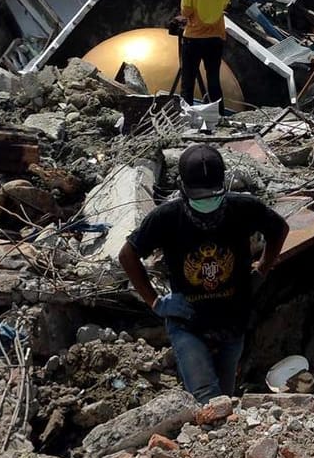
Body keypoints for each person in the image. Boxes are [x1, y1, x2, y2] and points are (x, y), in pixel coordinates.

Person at [119, 144, 288, 401]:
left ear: (224, 185)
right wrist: (155, 302)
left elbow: (279, 230)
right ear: (183, 189)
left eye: (213, 194)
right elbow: (127, 255)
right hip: (188, 321)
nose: (207, 201)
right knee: (207, 395)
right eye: (199, 196)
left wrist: (261, 270)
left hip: (233, 319)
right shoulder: (167, 218)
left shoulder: (243, 209)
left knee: (226, 395)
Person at [177, 0, 231, 106]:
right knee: (213, 79)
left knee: (188, 79)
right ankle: (218, 115)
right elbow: (224, 5)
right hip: (215, 37)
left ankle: (186, 115)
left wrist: (181, 18)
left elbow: (186, 10)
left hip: (193, 37)